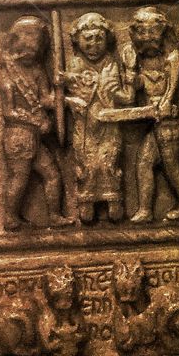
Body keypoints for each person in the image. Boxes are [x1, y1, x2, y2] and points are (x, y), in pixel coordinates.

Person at [120, 8, 179, 223]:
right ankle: (145, 210)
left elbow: (172, 90)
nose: (147, 38)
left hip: (170, 120)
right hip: (155, 120)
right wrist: (130, 69)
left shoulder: (173, 57)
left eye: (152, 33)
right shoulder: (141, 59)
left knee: (171, 164)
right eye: (142, 33)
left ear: (161, 33)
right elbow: (132, 93)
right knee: (144, 162)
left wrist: (166, 102)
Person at [0, 16, 71, 230]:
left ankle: (55, 216)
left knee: (53, 175)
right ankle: (10, 218)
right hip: (18, 136)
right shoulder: (7, 77)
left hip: (35, 138)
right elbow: (8, 112)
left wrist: (62, 94)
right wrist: (35, 121)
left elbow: (47, 99)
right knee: (20, 178)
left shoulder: (37, 71)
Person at [62, 13, 124, 221]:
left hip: (108, 124)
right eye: (88, 39)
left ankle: (113, 198)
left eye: (99, 38)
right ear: (77, 41)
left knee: (109, 162)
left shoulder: (111, 62)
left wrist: (114, 91)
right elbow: (76, 92)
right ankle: (86, 201)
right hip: (85, 124)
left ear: (107, 40)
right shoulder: (75, 63)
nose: (94, 44)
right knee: (87, 164)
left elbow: (115, 92)